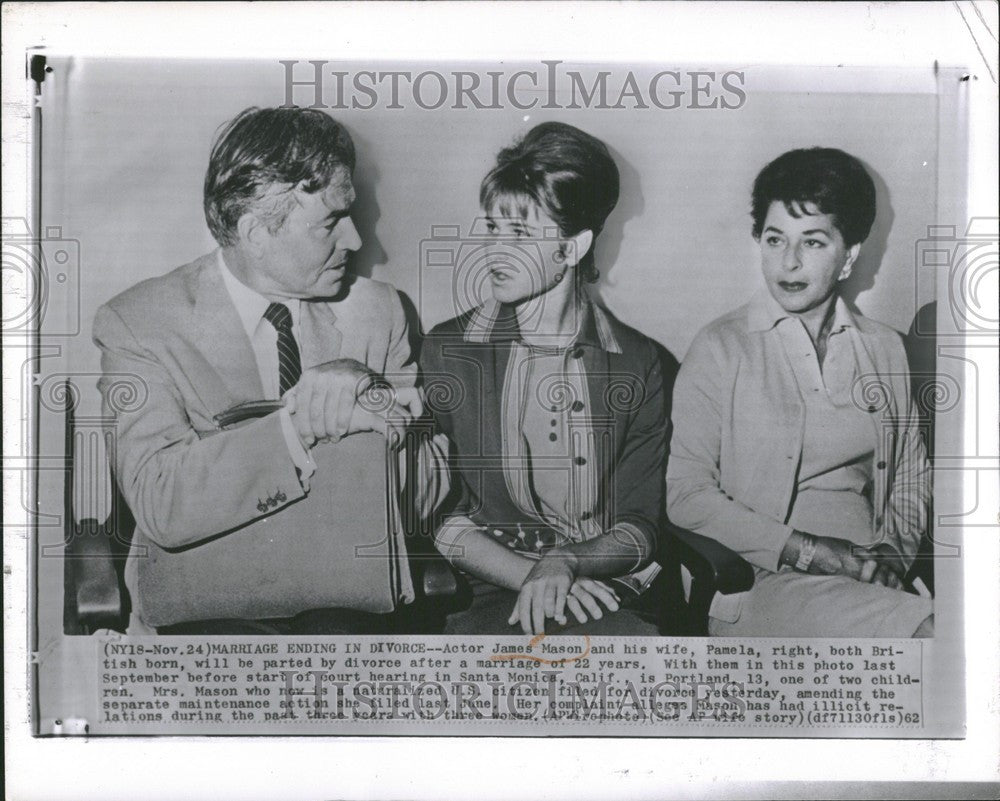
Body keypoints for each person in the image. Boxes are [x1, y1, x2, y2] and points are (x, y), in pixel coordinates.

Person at [93, 106, 446, 634]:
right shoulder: (141, 323)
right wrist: (299, 425)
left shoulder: (379, 311)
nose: (355, 241)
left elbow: (428, 498)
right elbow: (162, 502)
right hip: (206, 614)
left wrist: (384, 416)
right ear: (256, 232)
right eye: (331, 221)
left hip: (348, 612)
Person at [666, 147, 933, 637]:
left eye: (812, 242)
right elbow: (686, 495)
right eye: (774, 239)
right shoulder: (721, 348)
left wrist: (893, 551)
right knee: (929, 634)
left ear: (848, 255)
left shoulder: (886, 348)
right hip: (765, 582)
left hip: (875, 579)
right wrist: (809, 550)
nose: (788, 262)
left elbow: (912, 478)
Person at [423, 122, 669, 636]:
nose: (494, 251)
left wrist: (570, 562)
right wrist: (539, 575)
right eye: (492, 229)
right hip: (488, 590)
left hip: (605, 590)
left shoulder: (639, 362)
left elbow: (640, 525)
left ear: (573, 248)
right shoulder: (447, 350)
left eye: (519, 234)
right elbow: (435, 514)